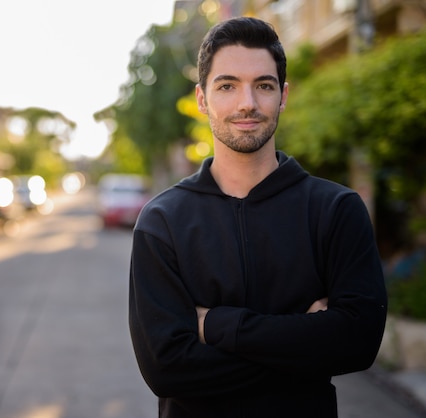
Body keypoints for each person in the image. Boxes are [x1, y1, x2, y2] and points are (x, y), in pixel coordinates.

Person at [128, 16, 387, 417]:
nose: (247, 102)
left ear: (283, 96)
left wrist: (217, 326)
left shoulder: (335, 209)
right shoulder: (162, 221)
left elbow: (359, 343)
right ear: (202, 99)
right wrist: (306, 344)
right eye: (227, 86)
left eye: (263, 86)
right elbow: (167, 369)